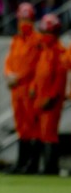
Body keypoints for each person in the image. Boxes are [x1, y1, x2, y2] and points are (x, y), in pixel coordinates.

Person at [4, 2, 42, 174]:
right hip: (16, 90)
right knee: (21, 126)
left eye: (27, 19)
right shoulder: (16, 40)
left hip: (29, 89)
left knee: (32, 126)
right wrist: (9, 74)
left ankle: (31, 164)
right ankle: (21, 163)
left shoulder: (37, 40)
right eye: (22, 19)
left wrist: (16, 77)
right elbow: (9, 62)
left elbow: (33, 65)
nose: (24, 23)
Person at [32, 13, 66, 176]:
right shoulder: (43, 51)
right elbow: (37, 74)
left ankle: (50, 167)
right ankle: (38, 165)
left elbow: (60, 79)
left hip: (51, 100)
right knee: (38, 132)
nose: (46, 36)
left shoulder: (60, 53)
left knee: (49, 134)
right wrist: (33, 88)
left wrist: (51, 97)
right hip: (39, 97)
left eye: (49, 33)